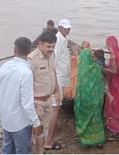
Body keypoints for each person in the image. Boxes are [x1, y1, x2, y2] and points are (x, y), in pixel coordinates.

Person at [0, 37, 42, 154]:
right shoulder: (26, 72)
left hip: (6, 118)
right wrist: (36, 123)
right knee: (23, 151)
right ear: (29, 52)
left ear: (14, 50)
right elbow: (27, 104)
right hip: (20, 122)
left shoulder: (4, 66)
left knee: (7, 149)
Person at [27, 31, 61, 153]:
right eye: (48, 46)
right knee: (35, 130)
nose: (51, 49)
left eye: (53, 47)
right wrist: (34, 105)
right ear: (40, 44)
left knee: (42, 128)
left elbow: (53, 73)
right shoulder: (32, 60)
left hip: (48, 99)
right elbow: (26, 85)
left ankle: (39, 150)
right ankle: (37, 151)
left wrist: (57, 91)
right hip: (37, 101)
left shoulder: (52, 55)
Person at [44, 18, 71, 150]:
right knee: (55, 108)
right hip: (57, 79)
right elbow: (53, 63)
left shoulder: (63, 39)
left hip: (61, 78)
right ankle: (49, 141)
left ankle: (48, 137)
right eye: (65, 28)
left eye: (69, 28)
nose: (67, 30)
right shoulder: (58, 40)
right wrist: (55, 88)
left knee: (55, 108)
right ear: (59, 28)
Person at [74, 48, 106, 147]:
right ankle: (98, 139)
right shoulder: (97, 67)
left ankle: (86, 139)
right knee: (96, 119)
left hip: (84, 100)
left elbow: (78, 86)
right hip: (95, 100)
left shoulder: (81, 69)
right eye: (91, 56)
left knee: (85, 118)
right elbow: (102, 83)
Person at [102, 36, 119, 141]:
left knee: (114, 107)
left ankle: (115, 132)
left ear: (109, 44)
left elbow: (114, 71)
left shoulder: (113, 56)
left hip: (116, 86)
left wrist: (102, 68)